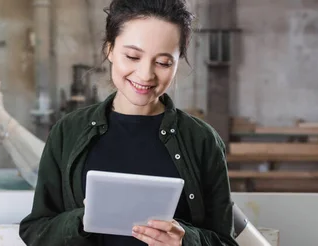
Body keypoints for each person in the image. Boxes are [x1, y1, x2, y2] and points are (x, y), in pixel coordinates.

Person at [19, 0, 238, 245]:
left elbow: (225, 241)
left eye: (164, 62)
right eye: (133, 56)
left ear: (178, 62)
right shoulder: (68, 131)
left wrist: (185, 241)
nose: (145, 74)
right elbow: (35, 231)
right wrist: (84, 220)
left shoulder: (202, 140)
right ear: (109, 49)